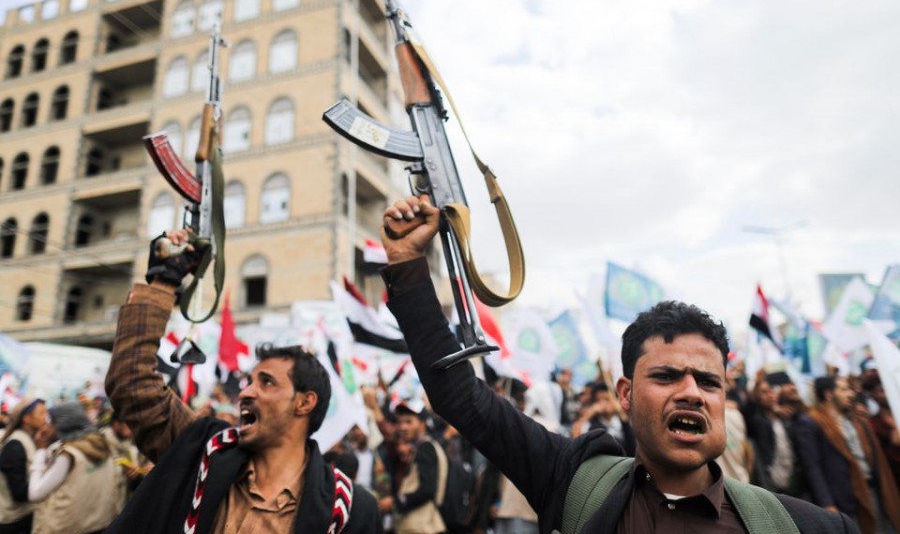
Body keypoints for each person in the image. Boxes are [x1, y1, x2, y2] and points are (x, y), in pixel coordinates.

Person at [379, 195, 858, 533]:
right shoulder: (574, 482)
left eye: (708, 381)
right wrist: (406, 262)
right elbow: (461, 398)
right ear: (626, 394)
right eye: (667, 376)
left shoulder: (810, 526)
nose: (691, 391)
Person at [104, 229, 379, 533]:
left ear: (304, 402)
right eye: (250, 381)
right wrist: (164, 281)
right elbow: (132, 384)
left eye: (267, 383)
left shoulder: (350, 510)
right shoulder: (204, 450)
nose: (246, 392)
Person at [796, 376, 900, 533]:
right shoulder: (812, 422)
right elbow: (812, 467)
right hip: (845, 499)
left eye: (850, 389)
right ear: (829, 394)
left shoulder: (855, 418)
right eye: (844, 390)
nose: (851, 394)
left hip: (871, 489)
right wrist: (826, 502)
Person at [28, 401, 119, 534]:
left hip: (66, 528)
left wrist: (40, 450)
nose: (46, 427)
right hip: (97, 524)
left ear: (61, 424)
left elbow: (35, 493)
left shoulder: (68, 454)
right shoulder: (102, 445)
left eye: (50, 422)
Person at [387, 401, 445, 533]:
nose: (403, 427)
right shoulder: (421, 447)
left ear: (422, 424)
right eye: (400, 422)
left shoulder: (426, 448)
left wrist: (396, 502)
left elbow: (427, 489)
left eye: (408, 422)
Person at [0, 398, 49, 533]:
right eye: (41, 413)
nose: (46, 417)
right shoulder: (15, 445)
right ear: (26, 418)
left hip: (25, 517)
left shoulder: (31, 439)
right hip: (15, 522)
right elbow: (18, 492)